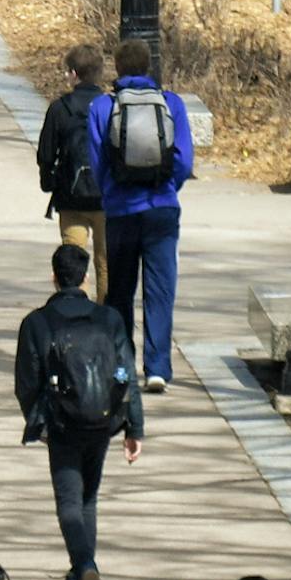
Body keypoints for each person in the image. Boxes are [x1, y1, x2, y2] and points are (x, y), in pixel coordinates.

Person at [14, 244, 144, 580]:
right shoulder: (109, 319)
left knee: (70, 500)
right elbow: (127, 374)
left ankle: (86, 566)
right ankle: (81, 569)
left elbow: (26, 383)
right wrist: (134, 428)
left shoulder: (37, 323)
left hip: (62, 424)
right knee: (88, 497)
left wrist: (39, 420)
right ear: (85, 278)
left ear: (54, 277)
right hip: (103, 420)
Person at [88, 38, 194, 393]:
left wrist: (112, 193)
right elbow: (183, 161)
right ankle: (158, 367)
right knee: (159, 290)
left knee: (119, 290)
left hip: (120, 210)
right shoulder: (171, 103)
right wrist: (166, 189)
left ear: (117, 67)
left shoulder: (103, 106)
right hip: (162, 209)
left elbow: (97, 161)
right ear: (149, 66)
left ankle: (122, 366)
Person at [36, 44, 109, 299]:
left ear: (75, 74)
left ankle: (75, 314)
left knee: (74, 262)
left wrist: (49, 182)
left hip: (70, 196)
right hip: (106, 198)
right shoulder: (109, 107)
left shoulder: (60, 109)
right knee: (105, 263)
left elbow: (46, 154)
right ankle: (105, 318)